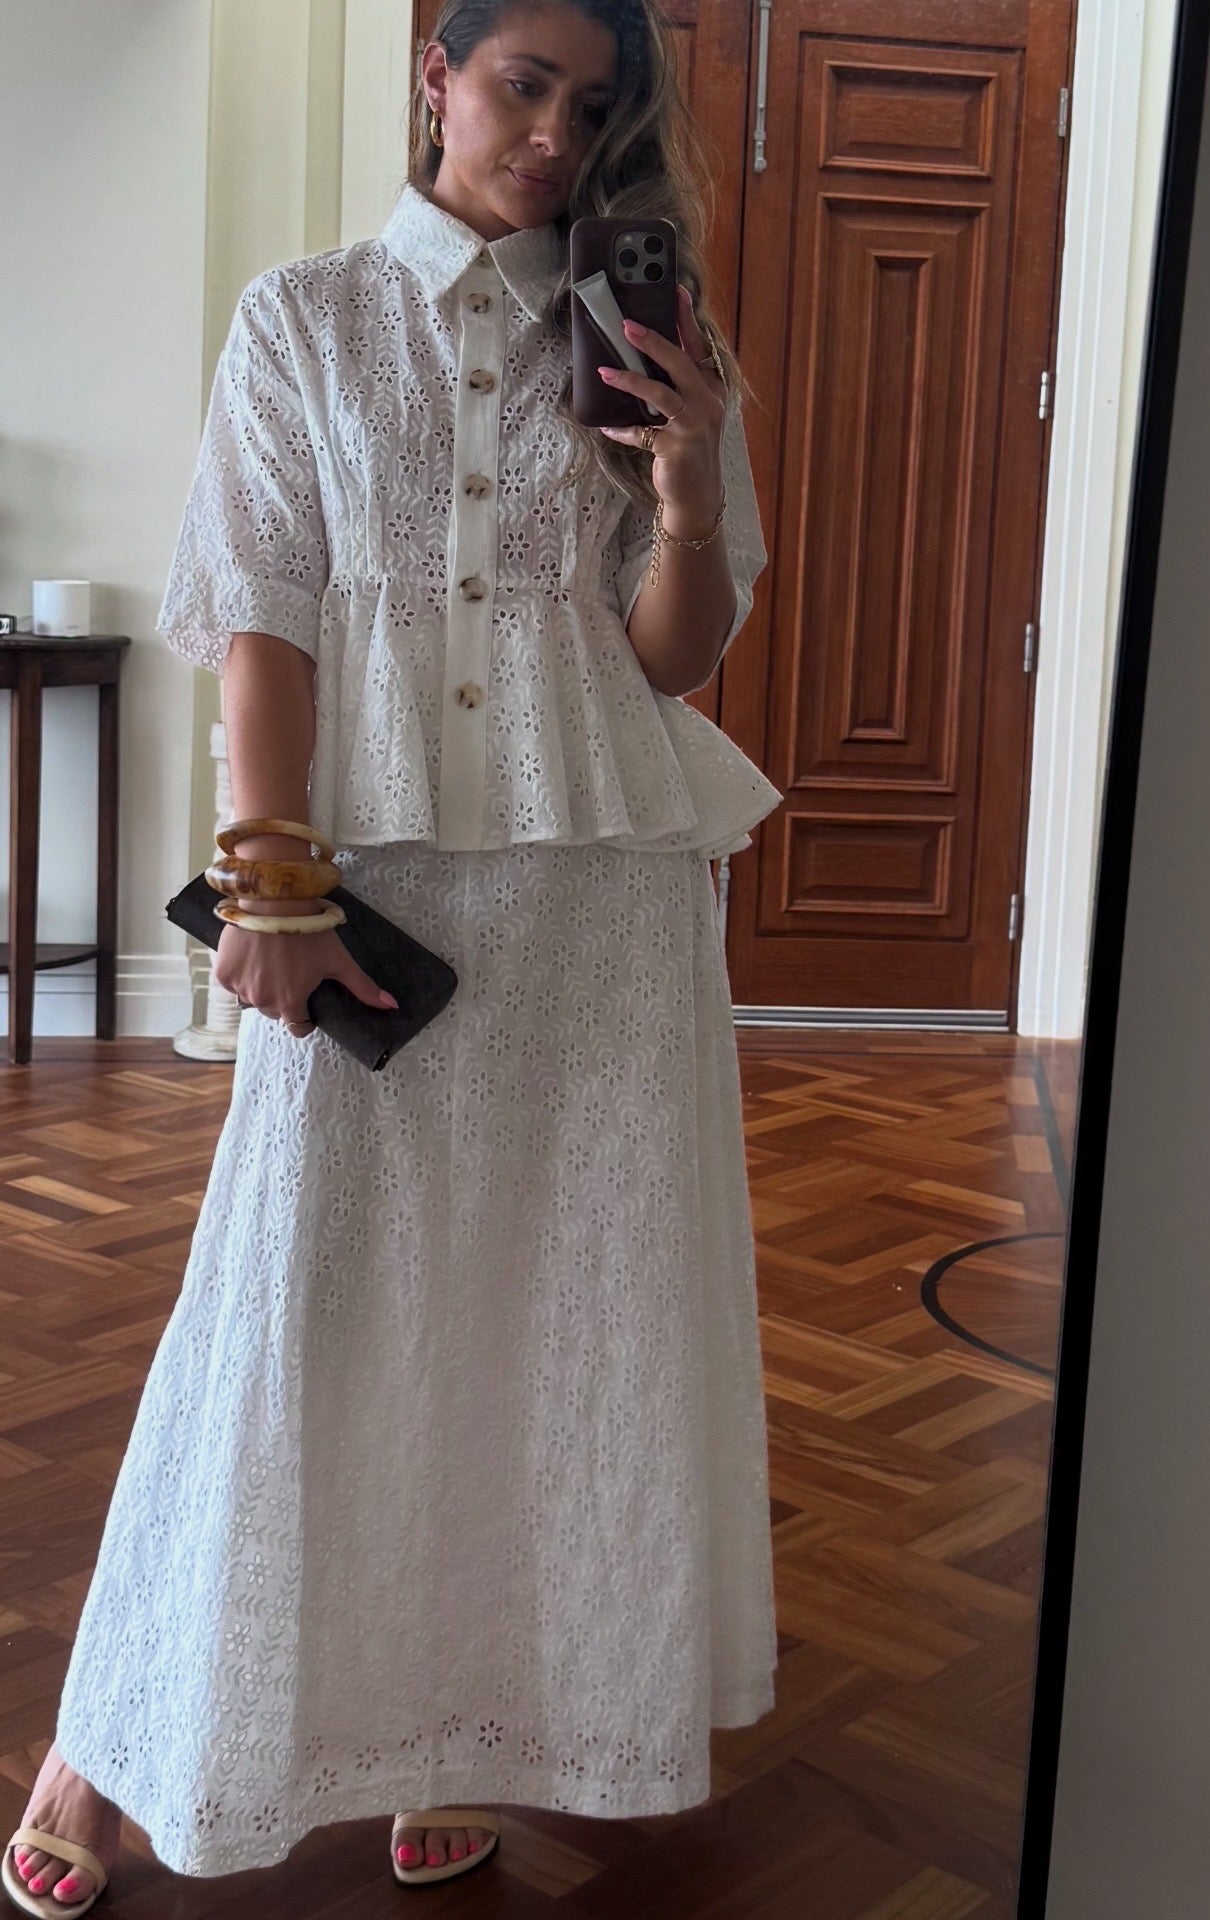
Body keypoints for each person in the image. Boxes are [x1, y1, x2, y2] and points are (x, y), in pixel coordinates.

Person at [3, 1, 782, 1907]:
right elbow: (258, 614)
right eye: (521, 84)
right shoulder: (305, 319)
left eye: (589, 107)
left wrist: (687, 481)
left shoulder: (652, 332)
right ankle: (100, 1755)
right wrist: (269, 882)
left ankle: (463, 1726)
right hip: (378, 904)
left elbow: (675, 656)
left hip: (601, 902)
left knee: (546, 1326)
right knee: (279, 1315)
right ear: (435, 71)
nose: (550, 134)